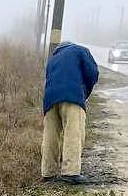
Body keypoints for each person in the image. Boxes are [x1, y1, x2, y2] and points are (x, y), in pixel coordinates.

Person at [41, 42, 100, 185]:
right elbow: (92, 72)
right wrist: (84, 91)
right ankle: (70, 172)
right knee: (73, 133)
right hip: (72, 96)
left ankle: (48, 173)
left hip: (49, 99)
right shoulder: (80, 50)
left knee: (50, 135)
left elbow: (48, 78)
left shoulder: (53, 59)